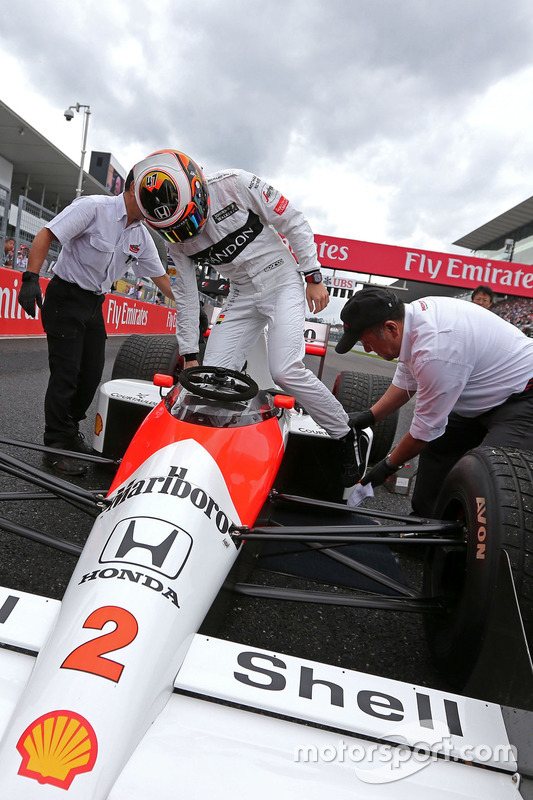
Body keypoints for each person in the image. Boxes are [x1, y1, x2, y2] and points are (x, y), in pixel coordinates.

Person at [133, 148, 359, 487]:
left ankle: (345, 434)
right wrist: (190, 355)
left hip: (282, 281)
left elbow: (292, 219)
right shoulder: (174, 240)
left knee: (284, 370)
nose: (188, 233)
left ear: (197, 187)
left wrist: (313, 275)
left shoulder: (236, 183)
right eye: (177, 229)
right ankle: (214, 451)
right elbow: (186, 296)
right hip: (240, 296)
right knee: (209, 379)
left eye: (188, 221)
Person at [17, 170, 174, 476]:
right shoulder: (93, 207)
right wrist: (30, 277)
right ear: (132, 189)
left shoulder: (141, 235)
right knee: (66, 373)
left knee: (90, 375)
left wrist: (188, 304)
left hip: (93, 305)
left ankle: (69, 429)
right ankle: (55, 446)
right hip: (65, 297)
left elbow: (162, 278)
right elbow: (47, 234)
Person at [337, 287, 533, 516]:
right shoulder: (412, 322)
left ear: (391, 328)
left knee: (491, 475)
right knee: (439, 448)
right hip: (487, 389)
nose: (368, 349)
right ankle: (425, 524)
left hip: (524, 396)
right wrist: (370, 416)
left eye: (366, 342)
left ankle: (469, 543)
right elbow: (405, 382)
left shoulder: (436, 350)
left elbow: (423, 432)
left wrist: (388, 465)